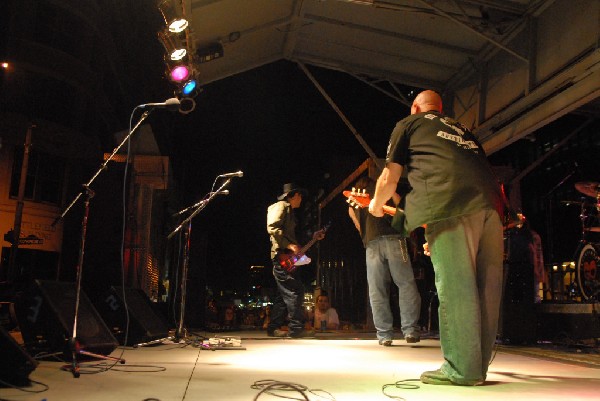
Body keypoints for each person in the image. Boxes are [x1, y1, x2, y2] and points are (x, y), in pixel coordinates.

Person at [369, 90, 504, 386]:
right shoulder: (463, 131)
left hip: (451, 207)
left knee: (457, 287)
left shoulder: (409, 124)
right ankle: (477, 368)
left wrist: (375, 205)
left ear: (415, 107)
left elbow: (389, 177)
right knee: (486, 290)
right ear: (441, 109)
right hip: (492, 209)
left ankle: (461, 369)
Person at [348, 176, 421, 345]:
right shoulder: (386, 190)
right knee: (406, 285)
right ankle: (410, 330)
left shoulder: (354, 200)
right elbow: (402, 207)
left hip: (372, 244)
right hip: (394, 238)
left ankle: (384, 335)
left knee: (377, 289)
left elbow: (358, 226)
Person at [266, 182, 325, 338]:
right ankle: (296, 329)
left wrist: (312, 238)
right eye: (299, 196)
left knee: (282, 295)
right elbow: (272, 227)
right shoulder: (281, 206)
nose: (301, 199)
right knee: (295, 290)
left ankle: (274, 328)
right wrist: (288, 245)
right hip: (282, 256)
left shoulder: (290, 211)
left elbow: (290, 238)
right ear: (294, 195)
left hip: (286, 257)